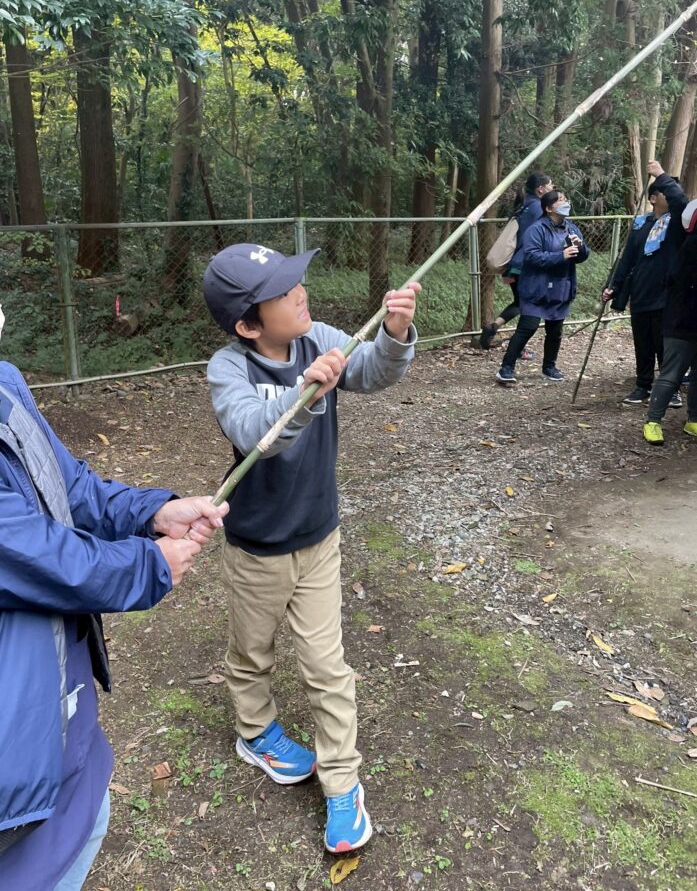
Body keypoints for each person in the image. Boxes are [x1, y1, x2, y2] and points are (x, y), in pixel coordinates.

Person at [202, 243, 420, 854]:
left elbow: (371, 371)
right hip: (256, 549)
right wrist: (304, 392)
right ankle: (256, 732)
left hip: (320, 537)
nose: (300, 291)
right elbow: (253, 432)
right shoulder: (228, 369)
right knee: (252, 653)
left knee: (327, 667)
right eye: (282, 291)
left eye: (295, 279)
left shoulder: (316, 336)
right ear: (248, 326)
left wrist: (394, 334)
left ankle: (342, 783)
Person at [0, 317, 229, 891]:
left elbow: (70, 488)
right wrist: (147, 564)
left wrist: (152, 513)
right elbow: (37, 555)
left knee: (87, 824)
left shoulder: (4, 384)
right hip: (11, 760)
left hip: (60, 712)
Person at [602, 160, 688, 406]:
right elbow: (626, 259)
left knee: (664, 345)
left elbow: (681, 201)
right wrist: (613, 285)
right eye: (664, 191)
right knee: (643, 343)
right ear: (653, 198)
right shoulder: (641, 225)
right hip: (641, 292)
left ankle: (670, 388)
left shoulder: (677, 224)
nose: (670, 195)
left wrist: (661, 175)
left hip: (667, 294)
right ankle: (643, 386)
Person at [495, 190, 589, 384]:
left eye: (565, 199)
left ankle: (549, 367)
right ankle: (506, 368)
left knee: (555, 331)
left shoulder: (571, 227)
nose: (565, 203)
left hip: (561, 287)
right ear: (548, 208)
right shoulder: (536, 229)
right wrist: (560, 256)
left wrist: (580, 248)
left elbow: (582, 256)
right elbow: (531, 256)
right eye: (560, 200)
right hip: (536, 287)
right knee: (527, 327)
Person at [643, 199, 697, 445]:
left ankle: (693, 419)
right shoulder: (688, 247)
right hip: (682, 322)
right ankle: (653, 421)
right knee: (671, 373)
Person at [480, 171, 553, 350]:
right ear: (541, 189)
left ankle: (493, 327)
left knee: (521, 302)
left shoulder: (523, 205)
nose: (552, 188)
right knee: (530, 309)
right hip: (524, 266)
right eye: (550, 185)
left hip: (512, 267)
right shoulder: (538, 208)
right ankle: (517, 348)